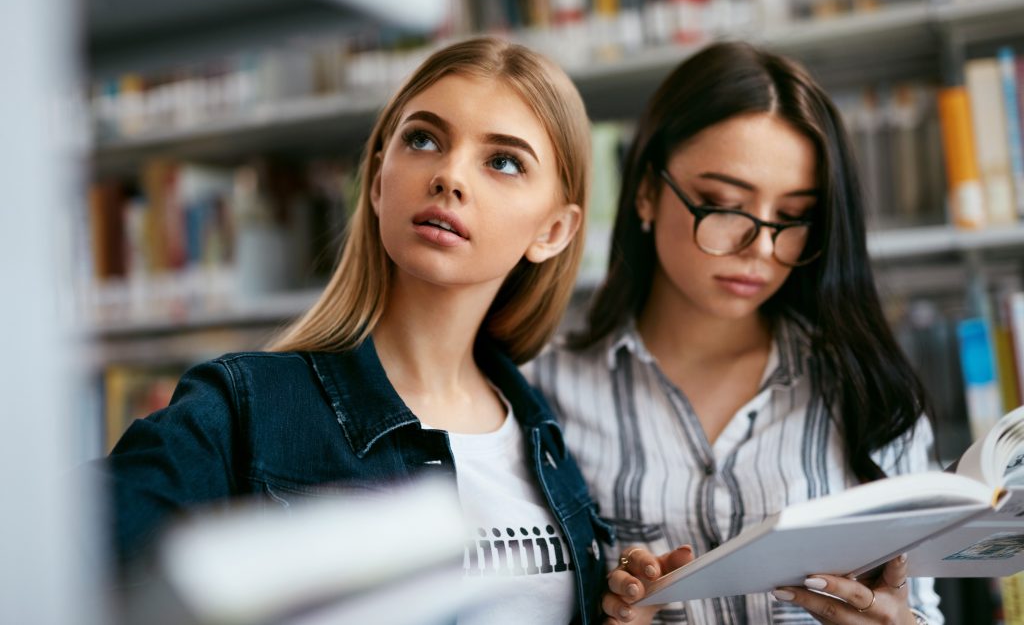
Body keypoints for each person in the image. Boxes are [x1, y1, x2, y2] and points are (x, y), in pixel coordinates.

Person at [102, 36, 613, 624]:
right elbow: (62, 549)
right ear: (376, 182)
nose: (449, 176)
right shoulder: (245, 408)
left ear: (553, 230)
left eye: (503, 161)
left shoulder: (544, 432)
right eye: (423, 139)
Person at [526, 42, 940, 625]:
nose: (763, 250)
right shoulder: (544, 392)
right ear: (646, 190)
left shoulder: (870, 388)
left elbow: (923, 607)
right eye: (722, 205)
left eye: (793, 218)